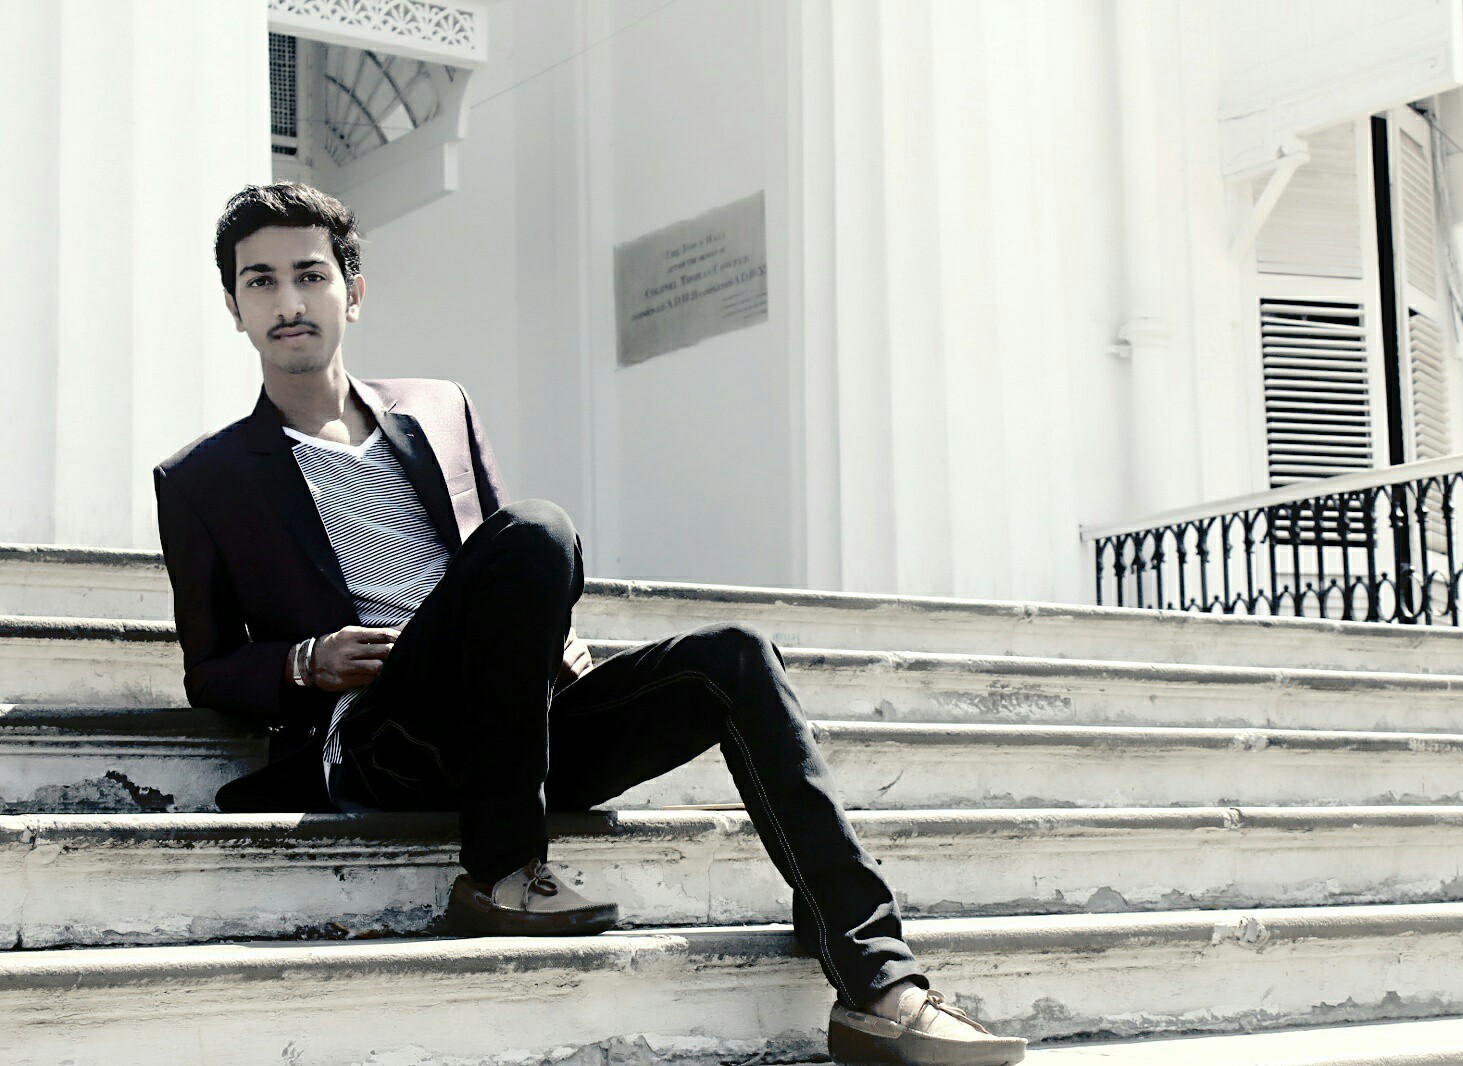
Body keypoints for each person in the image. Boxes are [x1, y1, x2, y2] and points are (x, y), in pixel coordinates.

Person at [152, 182, 1027, 1066]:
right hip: (389, 735)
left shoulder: (440, 409)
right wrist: (303, 662)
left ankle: (880, 985)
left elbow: (510, 561)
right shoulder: (201, 480)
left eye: (310, 275)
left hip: (516, 730)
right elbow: (209, 667)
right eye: (261, 281)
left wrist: (553, 637)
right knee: (537, 528)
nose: (289, 301)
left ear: (353, 291)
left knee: (732, 656)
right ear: (234, 305)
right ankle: (504, 870)